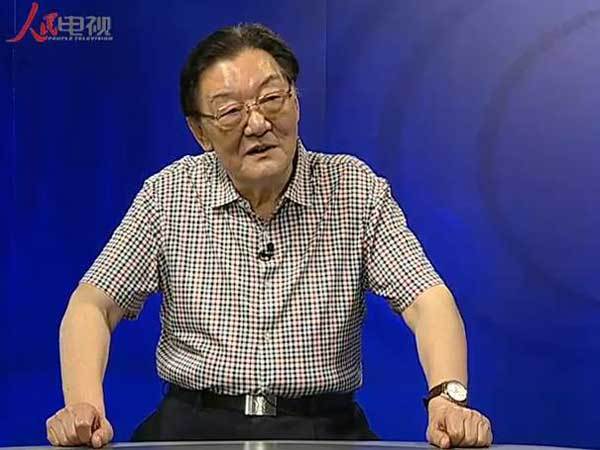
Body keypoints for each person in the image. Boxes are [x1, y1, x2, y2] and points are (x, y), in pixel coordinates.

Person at [45, 23, 493, 448]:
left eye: (272, 98)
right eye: (230, 111)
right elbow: (93, 305)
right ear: (200, 131)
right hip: (192, 427)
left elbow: (427, 300)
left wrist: (447, 398)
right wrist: (84, 406)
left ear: (296, 101)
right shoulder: (169, 194)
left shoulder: (355, 189)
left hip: (323, 430)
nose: (257, 124)